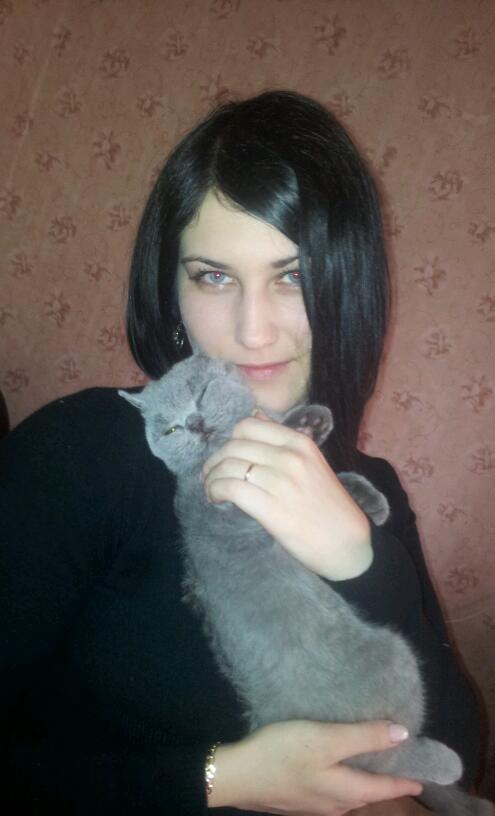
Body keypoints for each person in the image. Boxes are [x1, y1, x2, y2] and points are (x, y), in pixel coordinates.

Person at [0, 90, 483, 815]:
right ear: (172, 287)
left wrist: (365, 564)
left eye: (292, 276)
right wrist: (218, 779)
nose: (253, 331)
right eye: (214, 276)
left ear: (346, 284)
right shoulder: (82, 451)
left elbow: (453, 759)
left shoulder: (368, 484)